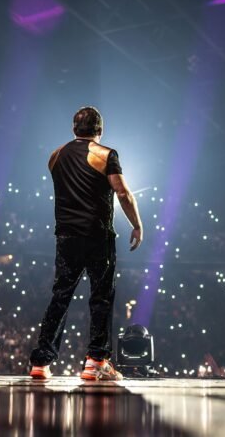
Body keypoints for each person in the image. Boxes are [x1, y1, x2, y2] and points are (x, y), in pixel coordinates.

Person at [29, 106, 143, 381]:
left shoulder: (55, 156)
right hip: (97, 236)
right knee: (101, 297)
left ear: (73, 129)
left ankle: (40, 363)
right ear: (100, 131)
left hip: (66, 236)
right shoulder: (106, 155)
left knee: (61, 296)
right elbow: (123, 193)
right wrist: (137, 225)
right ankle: (96, 361)